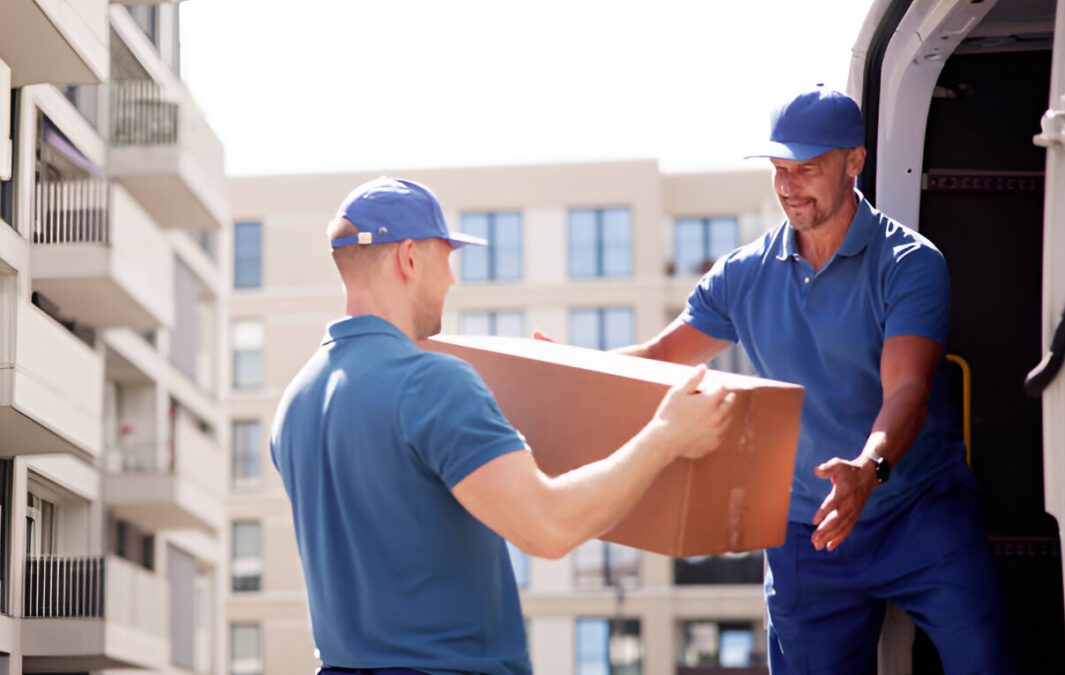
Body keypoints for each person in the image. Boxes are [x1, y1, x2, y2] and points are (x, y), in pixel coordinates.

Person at [269, 176, 737, 675]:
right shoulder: (431, 382)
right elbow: (548, 527)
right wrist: (665, 437)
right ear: (409, 258)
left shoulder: (296, 401)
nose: (452, 279)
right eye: (446, 257)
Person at [616, 87, 1010, 673]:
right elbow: (658, 356)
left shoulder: (910, 263)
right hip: (809, 532)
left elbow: (908, 390)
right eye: (779, 169)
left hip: (919, 514)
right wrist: (557, 368)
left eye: (806, 168)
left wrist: (868, 470)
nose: (788, 186)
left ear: (855, 161)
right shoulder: (743, 275)